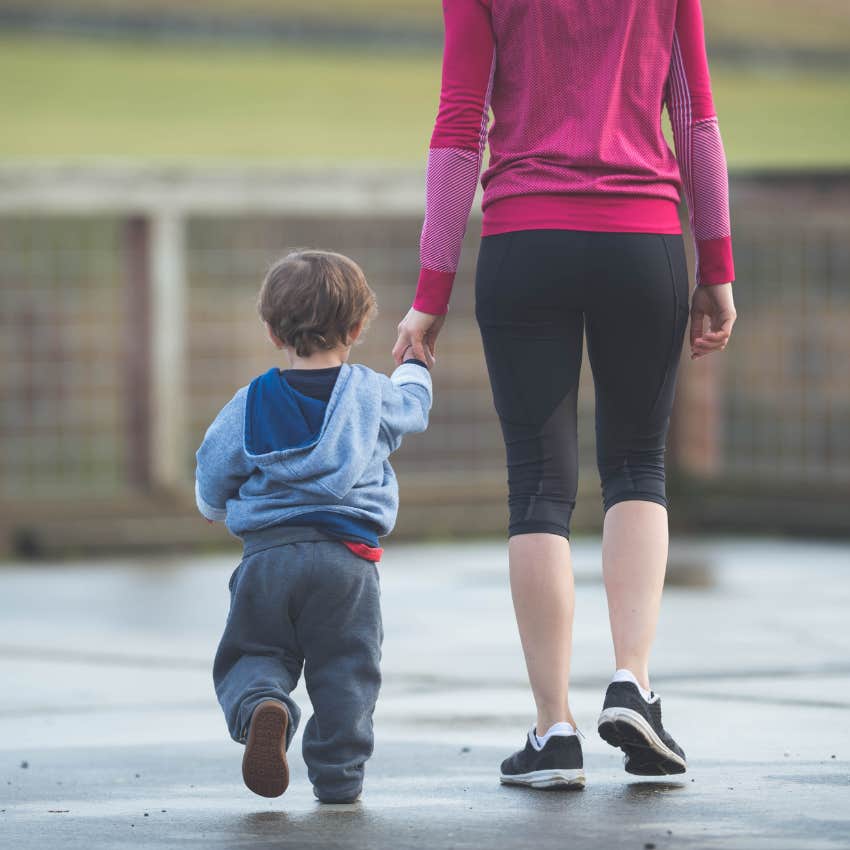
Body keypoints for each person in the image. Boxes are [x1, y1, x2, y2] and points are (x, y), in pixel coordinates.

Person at [394, 0, 737, 788]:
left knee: (538, 489)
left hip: (525, 240)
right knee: (638, 467)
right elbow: (695, 121)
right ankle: (632, 684)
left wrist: (431, 289)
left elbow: (457, 129)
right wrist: (715, 264)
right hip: (641, 238)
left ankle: (554, 732)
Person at [196, 250, 432, 803]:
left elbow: (213, 462)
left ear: (274, 333)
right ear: (356, 327)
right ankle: (338, 778)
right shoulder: (371, 394)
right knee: (346, 671)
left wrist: (212, 506)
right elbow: (414, 408)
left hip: (268, 558)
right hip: (347, 562)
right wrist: (415, 364)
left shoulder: (250, 402)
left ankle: (262, 707)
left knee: (254, 650)